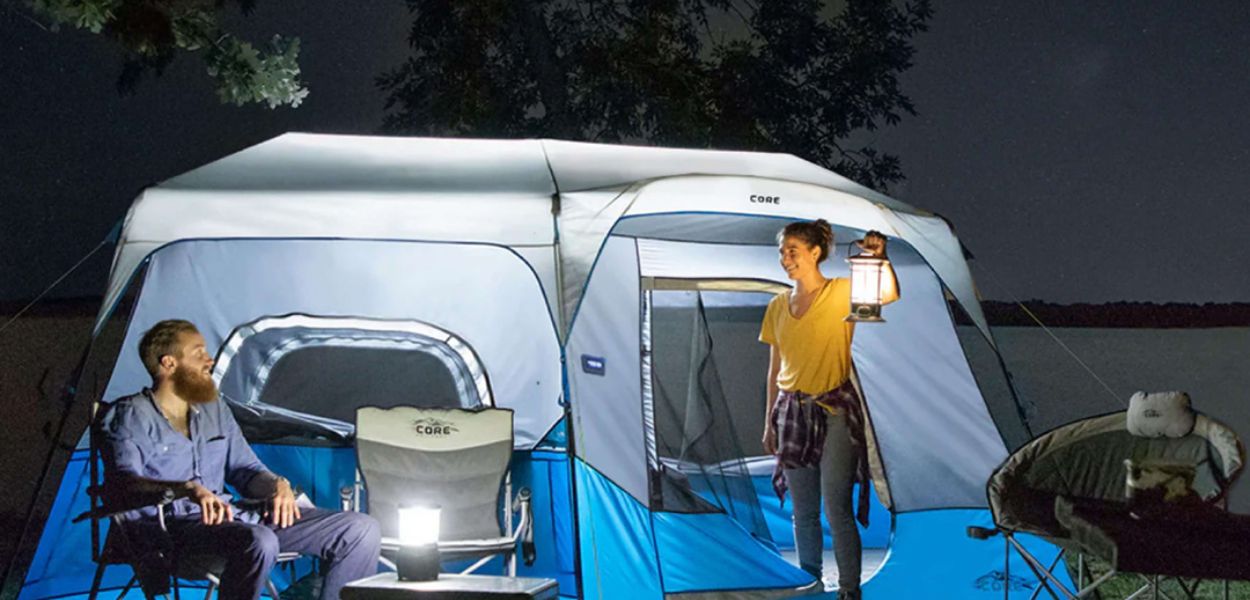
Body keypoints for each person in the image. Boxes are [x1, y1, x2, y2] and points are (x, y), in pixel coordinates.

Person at [99, 319, 381, 600]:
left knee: (360, 529)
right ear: (169, 363)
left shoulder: (213, 409)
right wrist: (186, 489)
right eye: (198, 353)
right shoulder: (130, 415)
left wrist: (277, 484)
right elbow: (123, 485)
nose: (209, 360)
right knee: (260, 540)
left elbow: (246, 470)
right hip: (173, 531)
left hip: (234, 518)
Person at [759, 220, 899, 600]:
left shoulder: (840, 292)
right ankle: (811, 583)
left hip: (834, 408)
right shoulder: (777, 306)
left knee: (836, 506)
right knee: (803, 512)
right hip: (791, 411)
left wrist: (880, 259)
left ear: (815, 252)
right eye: (782, 252)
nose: (785, 259)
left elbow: (887, 294)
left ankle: (849, 590)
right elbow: (775, 369)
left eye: (793, 251)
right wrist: (769, 422)